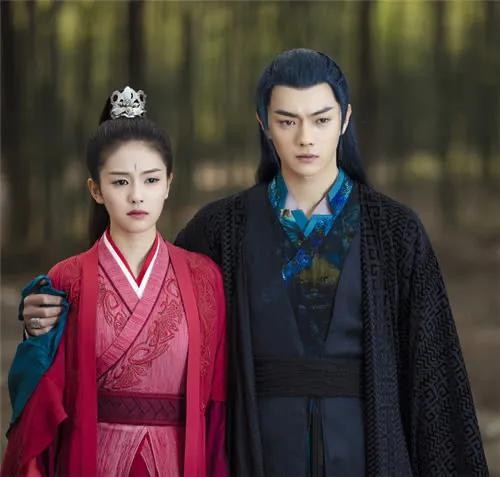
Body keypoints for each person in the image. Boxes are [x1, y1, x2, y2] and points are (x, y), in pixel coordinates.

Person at [17, 50, 488, 476]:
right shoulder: (220, 229)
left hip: (368, 444)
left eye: (321, 119)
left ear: (345, 119)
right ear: (263, 122)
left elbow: (434, 374)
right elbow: (151, 324)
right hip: (254, 448)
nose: (305, 137)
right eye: (287, 120)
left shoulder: (395, 231)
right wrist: (52, 321)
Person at [2, 87, 228, 477]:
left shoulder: (203, 277)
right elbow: (42, 395)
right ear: (96, 189)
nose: (137, 196)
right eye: (121, 182)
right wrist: (34, 337)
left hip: (178, 460)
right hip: (91, 456)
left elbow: (218, 400)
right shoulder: (66, 278)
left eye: (151, 180)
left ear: (169, 183)